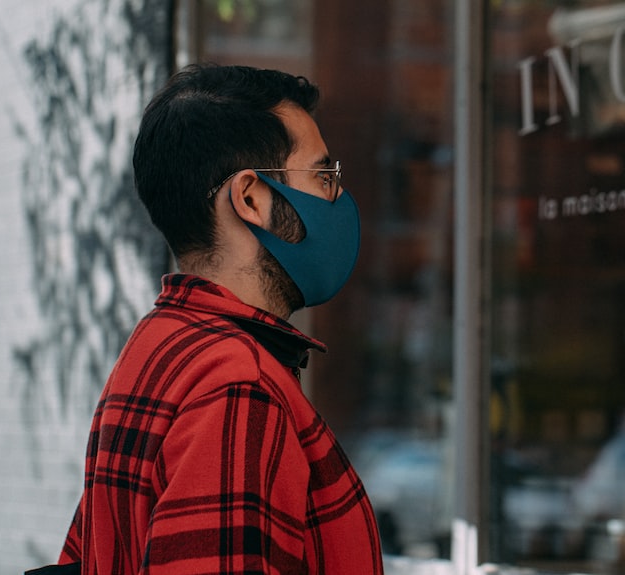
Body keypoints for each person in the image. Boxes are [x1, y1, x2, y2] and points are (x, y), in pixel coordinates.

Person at [54, 64, 383, 574]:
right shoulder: (238, 385)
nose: (337, 197)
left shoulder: (158, 345)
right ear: (251, 198)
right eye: (322, 176)